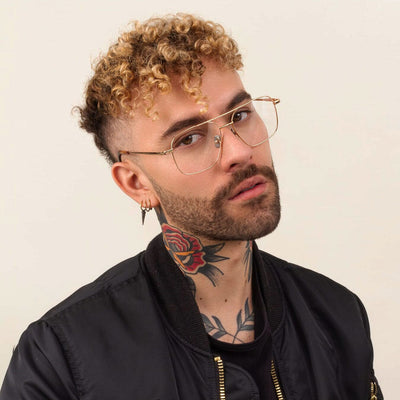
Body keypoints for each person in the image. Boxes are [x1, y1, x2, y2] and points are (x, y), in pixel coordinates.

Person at [0, 13, 383, 400]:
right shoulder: (60, 360)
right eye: (189, 139)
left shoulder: (337, 315)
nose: (239, 151)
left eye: (240, 116)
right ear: (136, 183)